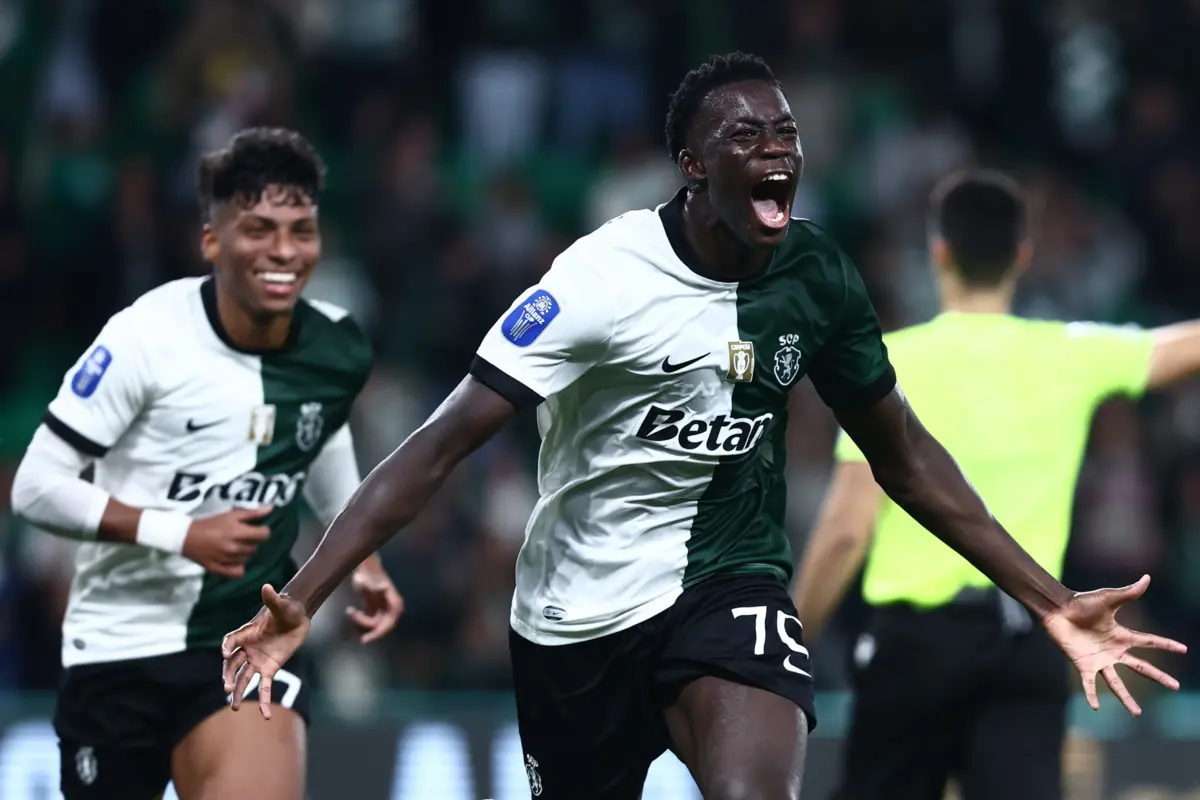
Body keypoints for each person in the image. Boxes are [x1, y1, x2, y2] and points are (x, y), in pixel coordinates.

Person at [221, 55, 1184, 800]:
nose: (777, 147)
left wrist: (1050, 598)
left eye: (787, 130)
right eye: (746, 133)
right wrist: (304, 596)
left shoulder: (816, 278)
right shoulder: (599, 283)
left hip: (730, 580)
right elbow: (437, 448)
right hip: (574, 616)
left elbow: (903, 454)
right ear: (691, 164)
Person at [9, 128, 403, 800]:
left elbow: (322, 442)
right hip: (118, 647)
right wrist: (182, 533)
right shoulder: (146, 338)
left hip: (243, 640)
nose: (283, 251)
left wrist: (357, 555)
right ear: (212, 240)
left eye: (300, 229)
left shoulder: (337, 345)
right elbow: (35, 488)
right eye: (258, 228)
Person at [792, 168, 1200, 800]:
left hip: (911, 647)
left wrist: (793, 642)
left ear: (938, 253)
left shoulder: (887, 361)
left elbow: (846, 530)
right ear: (1021, 256)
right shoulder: (1071, 353)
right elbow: (1181, 347)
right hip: (1029, 637)